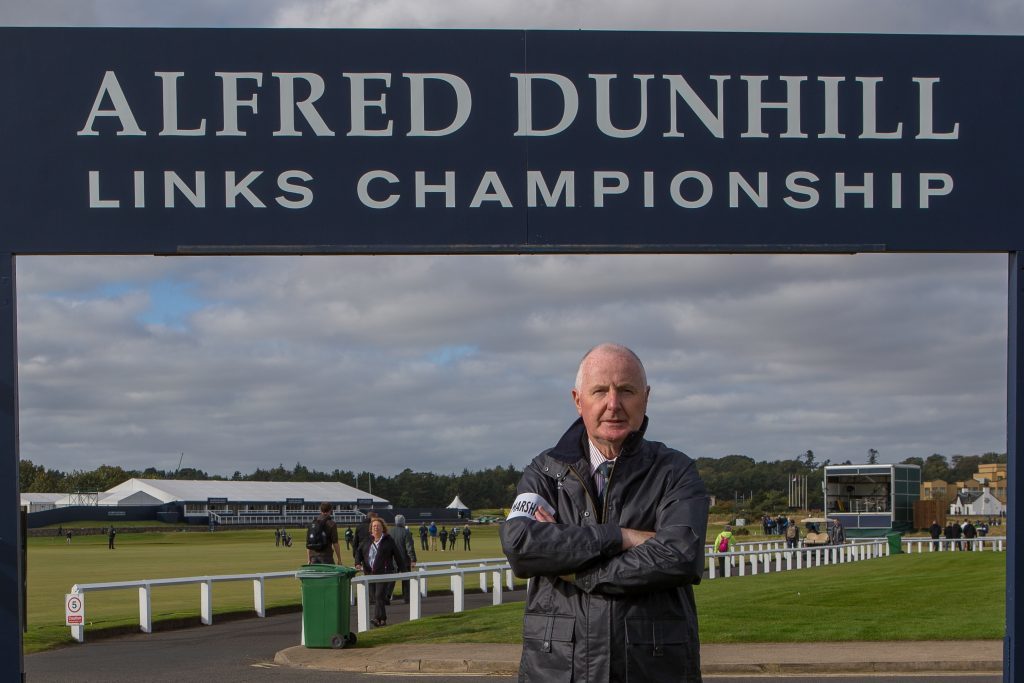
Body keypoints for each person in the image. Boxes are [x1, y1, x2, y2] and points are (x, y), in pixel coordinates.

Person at [501, 343, 708, 682]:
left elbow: (680, 555)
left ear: (646, 396)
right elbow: (521, 545)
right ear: (577, 399)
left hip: (652, 668)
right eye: (600, 391)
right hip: (556, 670)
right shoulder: (544, 472)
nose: (614, 404)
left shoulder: (676, 471)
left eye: (626, 390)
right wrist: (621, 536)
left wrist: (579, 572)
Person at [355, 517, 399, 627]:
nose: (376, 528)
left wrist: (403, 570)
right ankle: (382, 619)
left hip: (384, 573)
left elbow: (397, 555)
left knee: (379, 595)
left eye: (378, 526)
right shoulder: (367, 540)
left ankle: (376, 618)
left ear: (382, 528)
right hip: (369, 573)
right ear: (371, 528)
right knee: (375, 597)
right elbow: (359, 552)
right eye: (374, 526)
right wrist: (357, 563)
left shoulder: (388, 540)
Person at [387, 514, 418, 604]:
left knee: (391, 580)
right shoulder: (406, 532)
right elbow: (409, 547)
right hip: (404, 560)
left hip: (392, 560)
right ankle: (407, 598)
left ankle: (387, 597)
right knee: (406, 580)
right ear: (403, 522)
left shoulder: (390, 532)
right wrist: (413, 559)